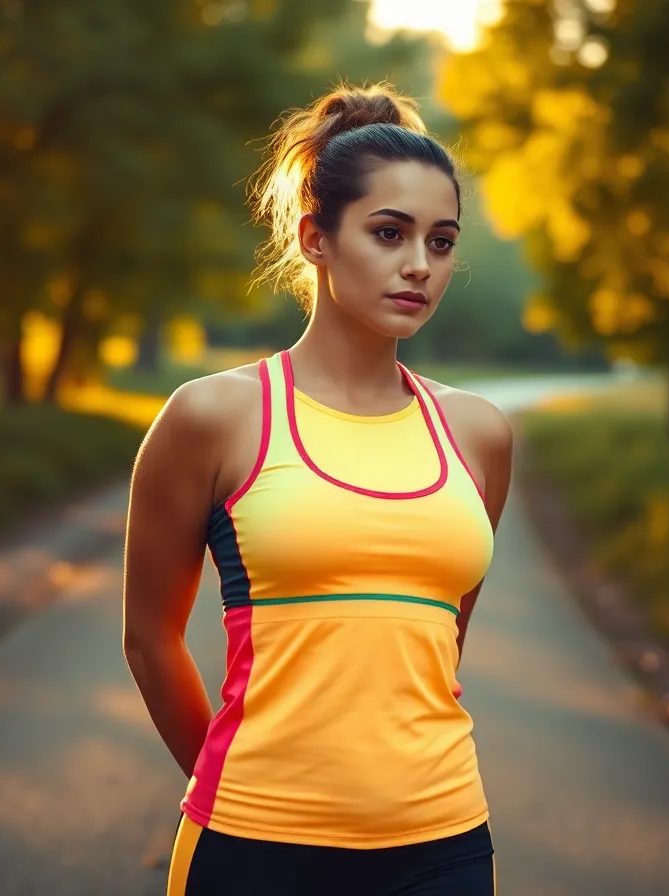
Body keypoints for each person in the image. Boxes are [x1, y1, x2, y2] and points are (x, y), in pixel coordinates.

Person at [122, 81, 514, 896]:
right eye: (388, 232)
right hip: (253, 847)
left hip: (444, 843)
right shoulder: (214, 417)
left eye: (442, 242)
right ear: (315, 239)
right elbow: (150, 640)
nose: (419, 265)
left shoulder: (478, 435)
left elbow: (439, 649)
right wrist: (242, 794)